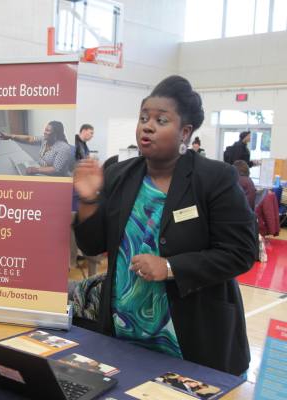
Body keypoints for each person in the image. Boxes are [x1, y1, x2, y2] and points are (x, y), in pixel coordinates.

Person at [72, 75, 256, 376]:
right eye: (144, 117)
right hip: (122, 336)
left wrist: (170, 267)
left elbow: (241, 252)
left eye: (160, 120)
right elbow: (92, 245)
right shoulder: (119, 174)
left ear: (185, 132)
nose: (147, 125)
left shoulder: (214, 178)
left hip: (194, 342)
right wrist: (90, 199)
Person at [0, 120, 74, 176]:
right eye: (45, 129)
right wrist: (11, 136)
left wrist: (36, 170)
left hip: (55, 177)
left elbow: (56, 169)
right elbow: (29, 138)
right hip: (41, 169)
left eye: (47, 130)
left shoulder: (63, 148)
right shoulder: (45, 139)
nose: (44, 132)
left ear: (56, 134)